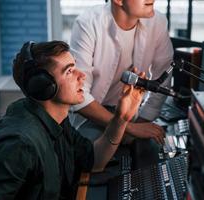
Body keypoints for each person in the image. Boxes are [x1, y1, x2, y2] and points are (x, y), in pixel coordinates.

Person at [0, 41, 145, 199]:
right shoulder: (18, 145)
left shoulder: (57, 121)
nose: (82, 76)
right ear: (42, 85)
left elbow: (94, 161)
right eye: (69, 71)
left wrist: (121, 119)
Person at [69, 0, 174, 144]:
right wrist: (130, 128)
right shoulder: (88, 23)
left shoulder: (158, 22)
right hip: (92, 116)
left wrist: (142, 122)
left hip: (132, 114)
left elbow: (163, 77)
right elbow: (78, 94)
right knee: (92, 158)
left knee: (150, 152)